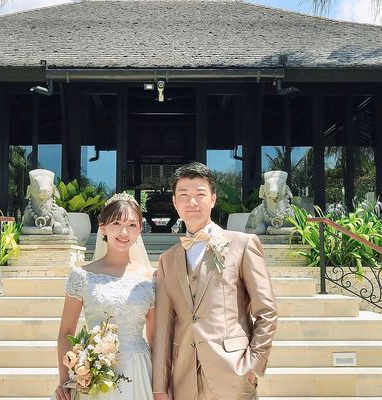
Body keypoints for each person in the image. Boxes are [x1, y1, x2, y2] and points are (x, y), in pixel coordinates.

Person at [152, 162, 278, 400]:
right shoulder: (167, 260)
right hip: (184, 379)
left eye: (200, 194)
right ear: (175, 202)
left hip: (234, 374)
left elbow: (267, 311)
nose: (192, 201)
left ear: (213, 199)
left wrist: (253, 367)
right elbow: (164, 328)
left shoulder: (242, 244)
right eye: (184, 195)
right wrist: (160, 385)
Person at [54, 193, 155, 400]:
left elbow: (155, 338)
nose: (124, 232)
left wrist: (161, 383)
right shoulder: (81, 276)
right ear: (103, 227)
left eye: (132, 225)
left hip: (139, 372)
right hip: (92, 375)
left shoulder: (151, 279)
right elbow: (66, 332)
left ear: (139, 230)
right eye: (116, 223)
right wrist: (66, 380)